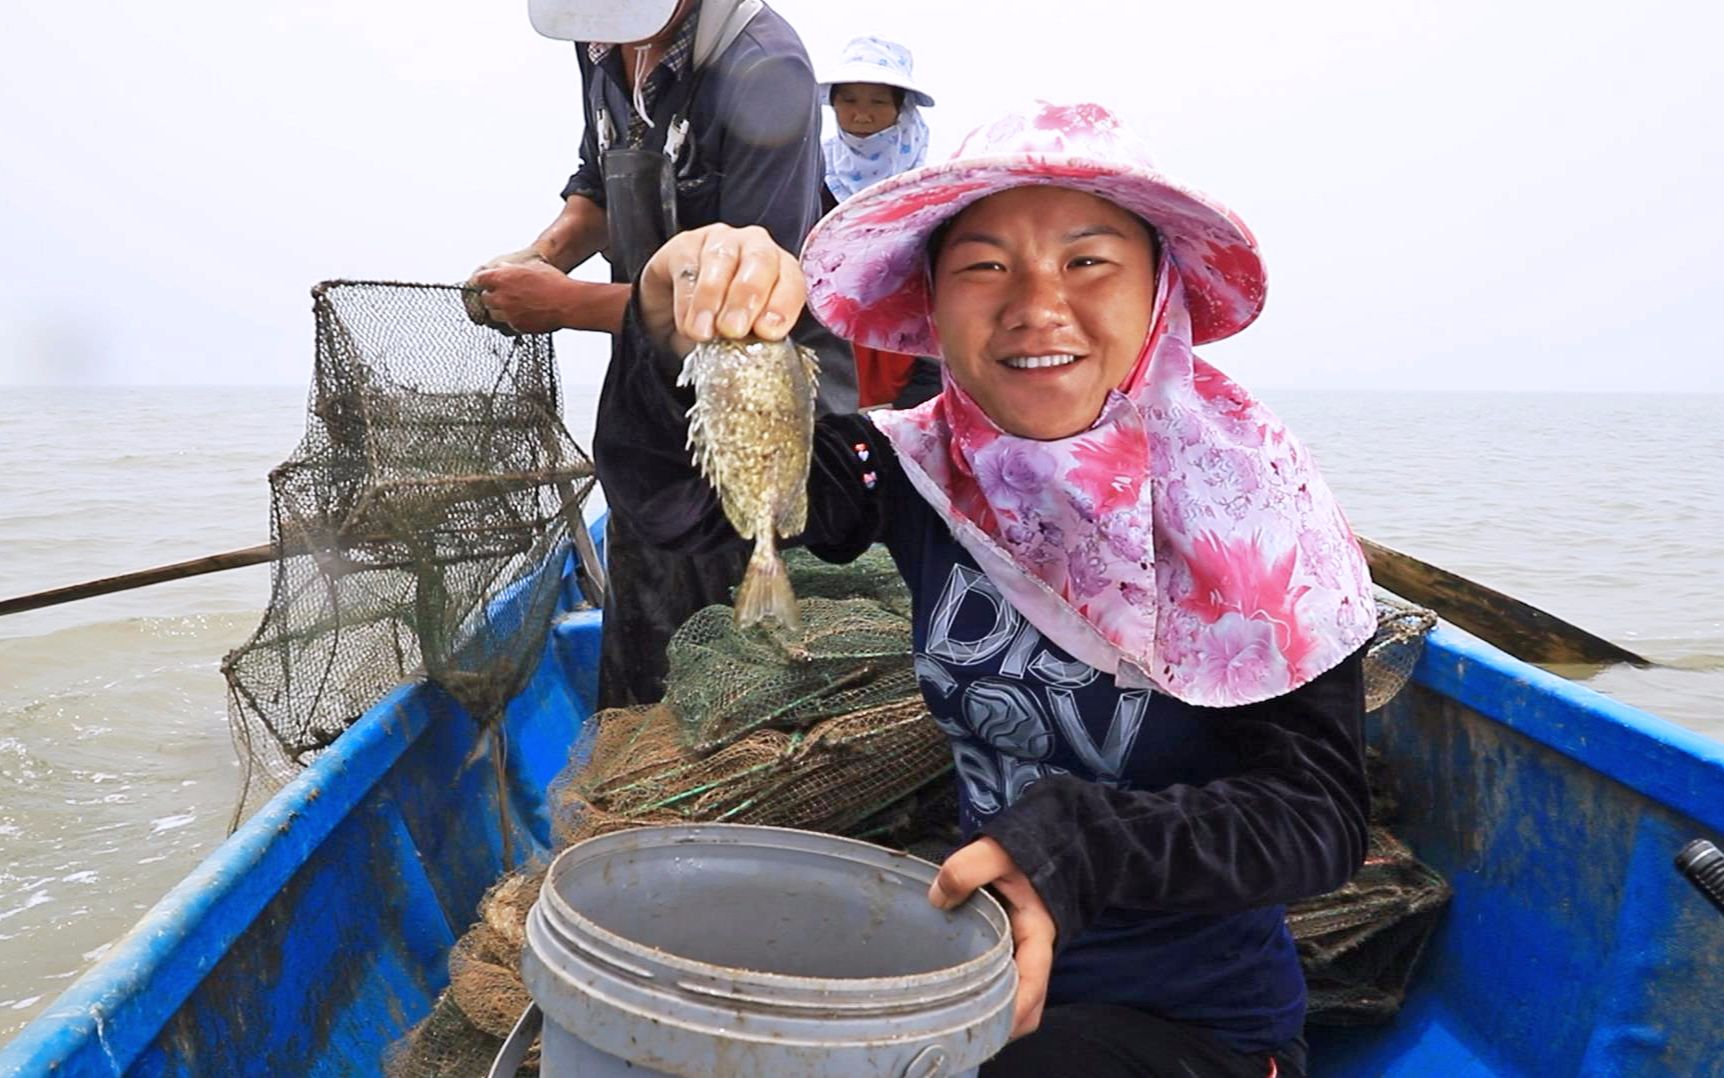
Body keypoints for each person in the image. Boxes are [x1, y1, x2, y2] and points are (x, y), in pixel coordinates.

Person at [601, 101, 1380, 1076]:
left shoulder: (1263, 511)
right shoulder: (919, 470)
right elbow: (672, 502)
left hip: (1192, 1023)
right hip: (969, 962)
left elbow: (1316, 819)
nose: (1033, 303)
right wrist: (664, 307)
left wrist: (1072, 843)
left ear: (1158, 291)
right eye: (983, 265)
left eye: (1087, 260)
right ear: (932, 303)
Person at [465, 0, 858, 708]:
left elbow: (749, 309)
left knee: (740, 653)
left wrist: (560, 306)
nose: (602, 27)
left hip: (757, 399)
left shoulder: (766, 68)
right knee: (645, 631)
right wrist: (541, 257)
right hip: (649, 398)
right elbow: (599, 184)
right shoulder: (598, 40)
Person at [816, 34, 942, 408]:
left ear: (901, 109)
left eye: (878, 102)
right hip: (827, 367)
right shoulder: (811, 174)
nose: (862, 114)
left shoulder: (929, 190)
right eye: (849, 100)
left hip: (909, 371)